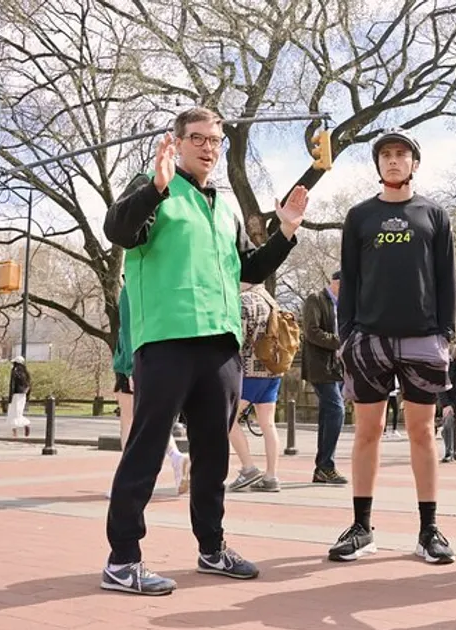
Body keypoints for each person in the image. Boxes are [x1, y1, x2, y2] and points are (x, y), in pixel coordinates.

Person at [100, 106, 306, 595]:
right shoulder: (156, 188)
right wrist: (154, 186)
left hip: (220, 345)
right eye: (198, 139)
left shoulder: (227, 206)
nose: (209, 148)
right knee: (146, 449)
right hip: (167, 341)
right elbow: (118, 231)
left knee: (214, 455)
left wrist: (287, 230)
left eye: (216, 140)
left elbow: (248, 273)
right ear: (177, 141)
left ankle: (211, 548)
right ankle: (122, 558)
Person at [330, 127, 456, 565]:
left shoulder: (435, 216)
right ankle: (362, 527)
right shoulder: (360, 216)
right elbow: (349, 278)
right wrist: (347, 333)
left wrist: (445, 332)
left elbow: (446, 279)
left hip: (423, 337)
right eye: (386, 155)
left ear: (414, 163)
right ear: (378, 164)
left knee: (422, 433)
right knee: (368, 432)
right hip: (369, 339)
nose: (393, 160)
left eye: (402, 154)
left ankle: (429, 530)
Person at [109, 282, 189, 500]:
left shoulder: (132, 287)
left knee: (130, 424)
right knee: (153, 422)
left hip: (135, 361)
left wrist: (128, 368)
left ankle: (129, 483)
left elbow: (127, 329)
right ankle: (176, 458)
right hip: (163, 359)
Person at [227, 282, 285, 493]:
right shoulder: (271, 300)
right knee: (268, 424)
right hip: (273, 369)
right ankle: (271, 476)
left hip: (249, 370)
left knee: (227, 418)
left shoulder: (245, 301)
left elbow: (237, 339)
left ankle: (248, 467)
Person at [301, 271, 348, 484]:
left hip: (338, 367)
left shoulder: (344, 305)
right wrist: (340, 341)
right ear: (336, 283)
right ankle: (326, 465)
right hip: (320, 366)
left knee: (328, 414)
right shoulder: (316, 299)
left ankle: (322, 467)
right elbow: (311, 331)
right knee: (336, 410)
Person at [7, 356, 31, 438]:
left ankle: (17, 431)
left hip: (15, 394)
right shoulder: (26, 372)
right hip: (23, 394)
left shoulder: (14, 371)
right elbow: (29, 384)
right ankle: (19, 428)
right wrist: (27, 394)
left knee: (12, 413)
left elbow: (12, 384)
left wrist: (10, 396)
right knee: (18, 412)